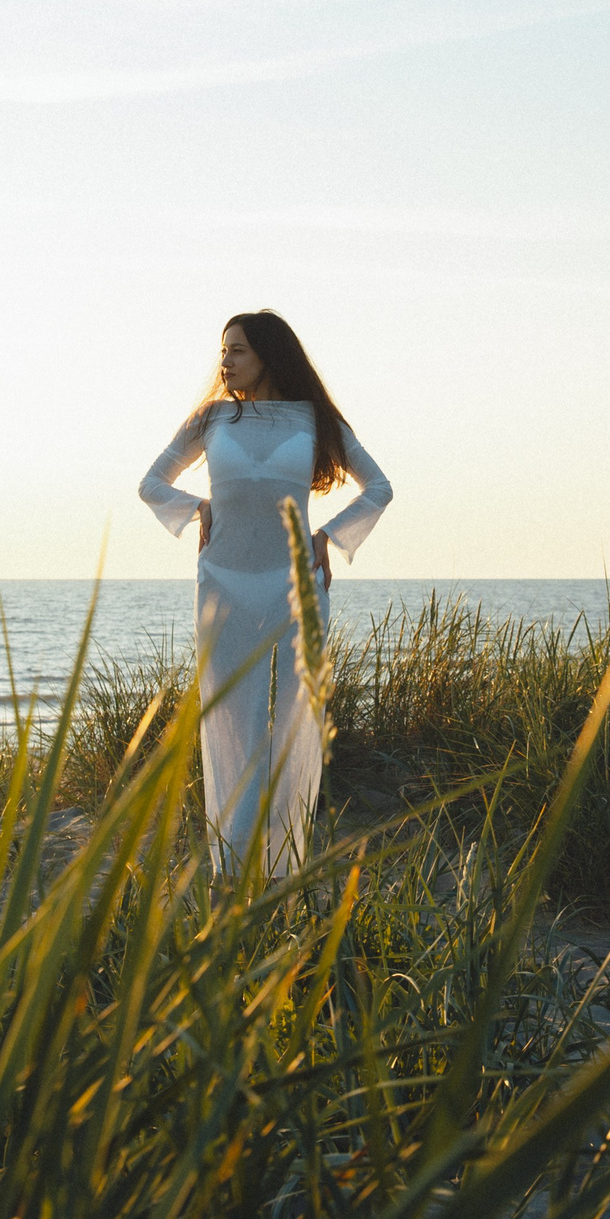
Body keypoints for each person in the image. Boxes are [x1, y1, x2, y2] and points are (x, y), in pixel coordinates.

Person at [139, 310, 392, 875]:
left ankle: (283, 866)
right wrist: (197, 507)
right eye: (223, 350)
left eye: (238, 351)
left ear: (269, 356)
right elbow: (151, 483)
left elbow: (379, 487)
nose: (225, 361)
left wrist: (330, 537)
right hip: (223, 583)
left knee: (296, 720)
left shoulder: (313, 419)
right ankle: (234, 866)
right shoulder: (210, 419)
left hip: (294, 585)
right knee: (230, 721)